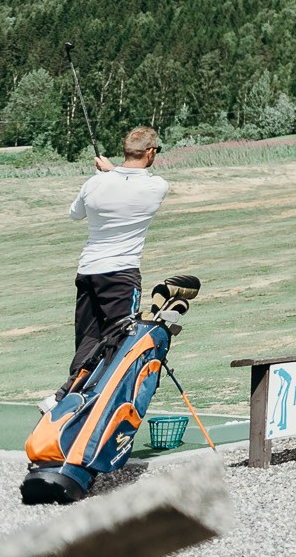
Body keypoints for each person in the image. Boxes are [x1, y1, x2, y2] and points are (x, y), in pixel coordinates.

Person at [57, 125, 169, 400]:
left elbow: (75, 214)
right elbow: (131, 182)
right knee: (118, 343)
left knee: (88, 339)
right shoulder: (157, 186)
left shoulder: (94, 184)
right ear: (151, 152)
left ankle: (68, 394)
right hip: (121, 275)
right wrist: (110, 173)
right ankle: (98, 400)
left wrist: (105, 175)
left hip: (88, 271)